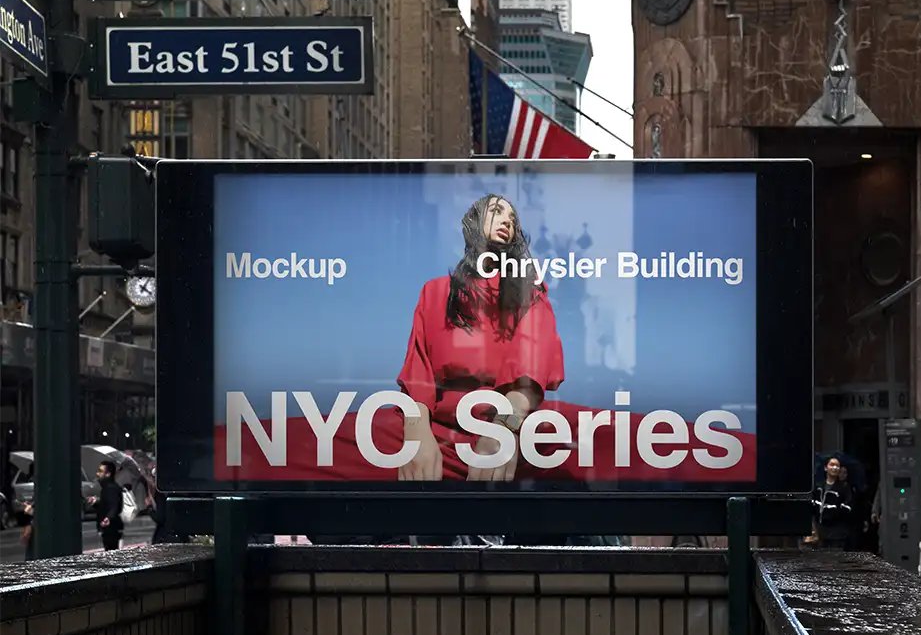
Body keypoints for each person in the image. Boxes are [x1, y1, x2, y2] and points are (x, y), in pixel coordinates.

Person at [222, 192, 754, 486]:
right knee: (327, 432)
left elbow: (530, 371)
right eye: (496, 211)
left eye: (512, 217)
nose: (505, 220)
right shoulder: (435, 292)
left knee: (616, 436)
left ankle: (753, 458)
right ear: (474, 222)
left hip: (519, 429)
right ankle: (212, 456)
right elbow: (416, 377)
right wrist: (417, 435)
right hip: (435, 432)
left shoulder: (528, 290)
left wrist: (505, 427)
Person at [806, 456, 854, 550]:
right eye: (832, 465)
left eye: (837, 466)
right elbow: (812, 506)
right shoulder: (818, 487)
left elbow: (848, 508)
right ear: (826, 468)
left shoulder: (844, 488)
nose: (835, 468)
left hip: (837, 534)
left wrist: (832, 513)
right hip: (820, 533)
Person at [94, 458, 125, 551]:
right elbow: (107, 505)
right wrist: (96, 503)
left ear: (108, 474)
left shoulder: (110, 488)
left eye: (100, 471)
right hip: (110, 526)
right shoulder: (107, 487)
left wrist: (108, 518)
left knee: (111, 551)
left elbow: (114, 506)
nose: (97, 474)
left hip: (111, 527)